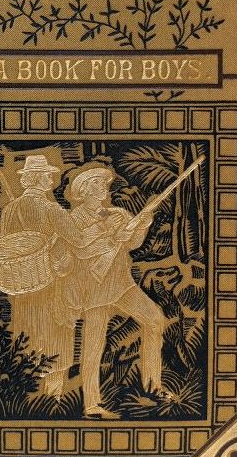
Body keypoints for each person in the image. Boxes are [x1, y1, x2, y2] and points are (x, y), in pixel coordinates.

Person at [0, 155, 115, 399]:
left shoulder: (10, 209)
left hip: (22, 283)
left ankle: (22, 398)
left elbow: (8, 245)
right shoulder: (51, 209)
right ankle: (53, 398)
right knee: (55, 341)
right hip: (49, 284)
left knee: (25, 338)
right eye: (48, 175)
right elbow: (79, 240)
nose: (51, 179)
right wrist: (100, 226)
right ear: (39, 179)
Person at [55, 164, 166, 419]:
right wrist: (110, 236)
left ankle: (153, 387)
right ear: (83, 191)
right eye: (96, 183)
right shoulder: (74, 219)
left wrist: (142, 223)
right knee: (94, 346)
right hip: (94, 289)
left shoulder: (117, 213)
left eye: (104, 182)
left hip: (121, 284)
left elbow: (132, 243)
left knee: (155, 320)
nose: (103, 186)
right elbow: (81, 250)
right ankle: (92, 404)